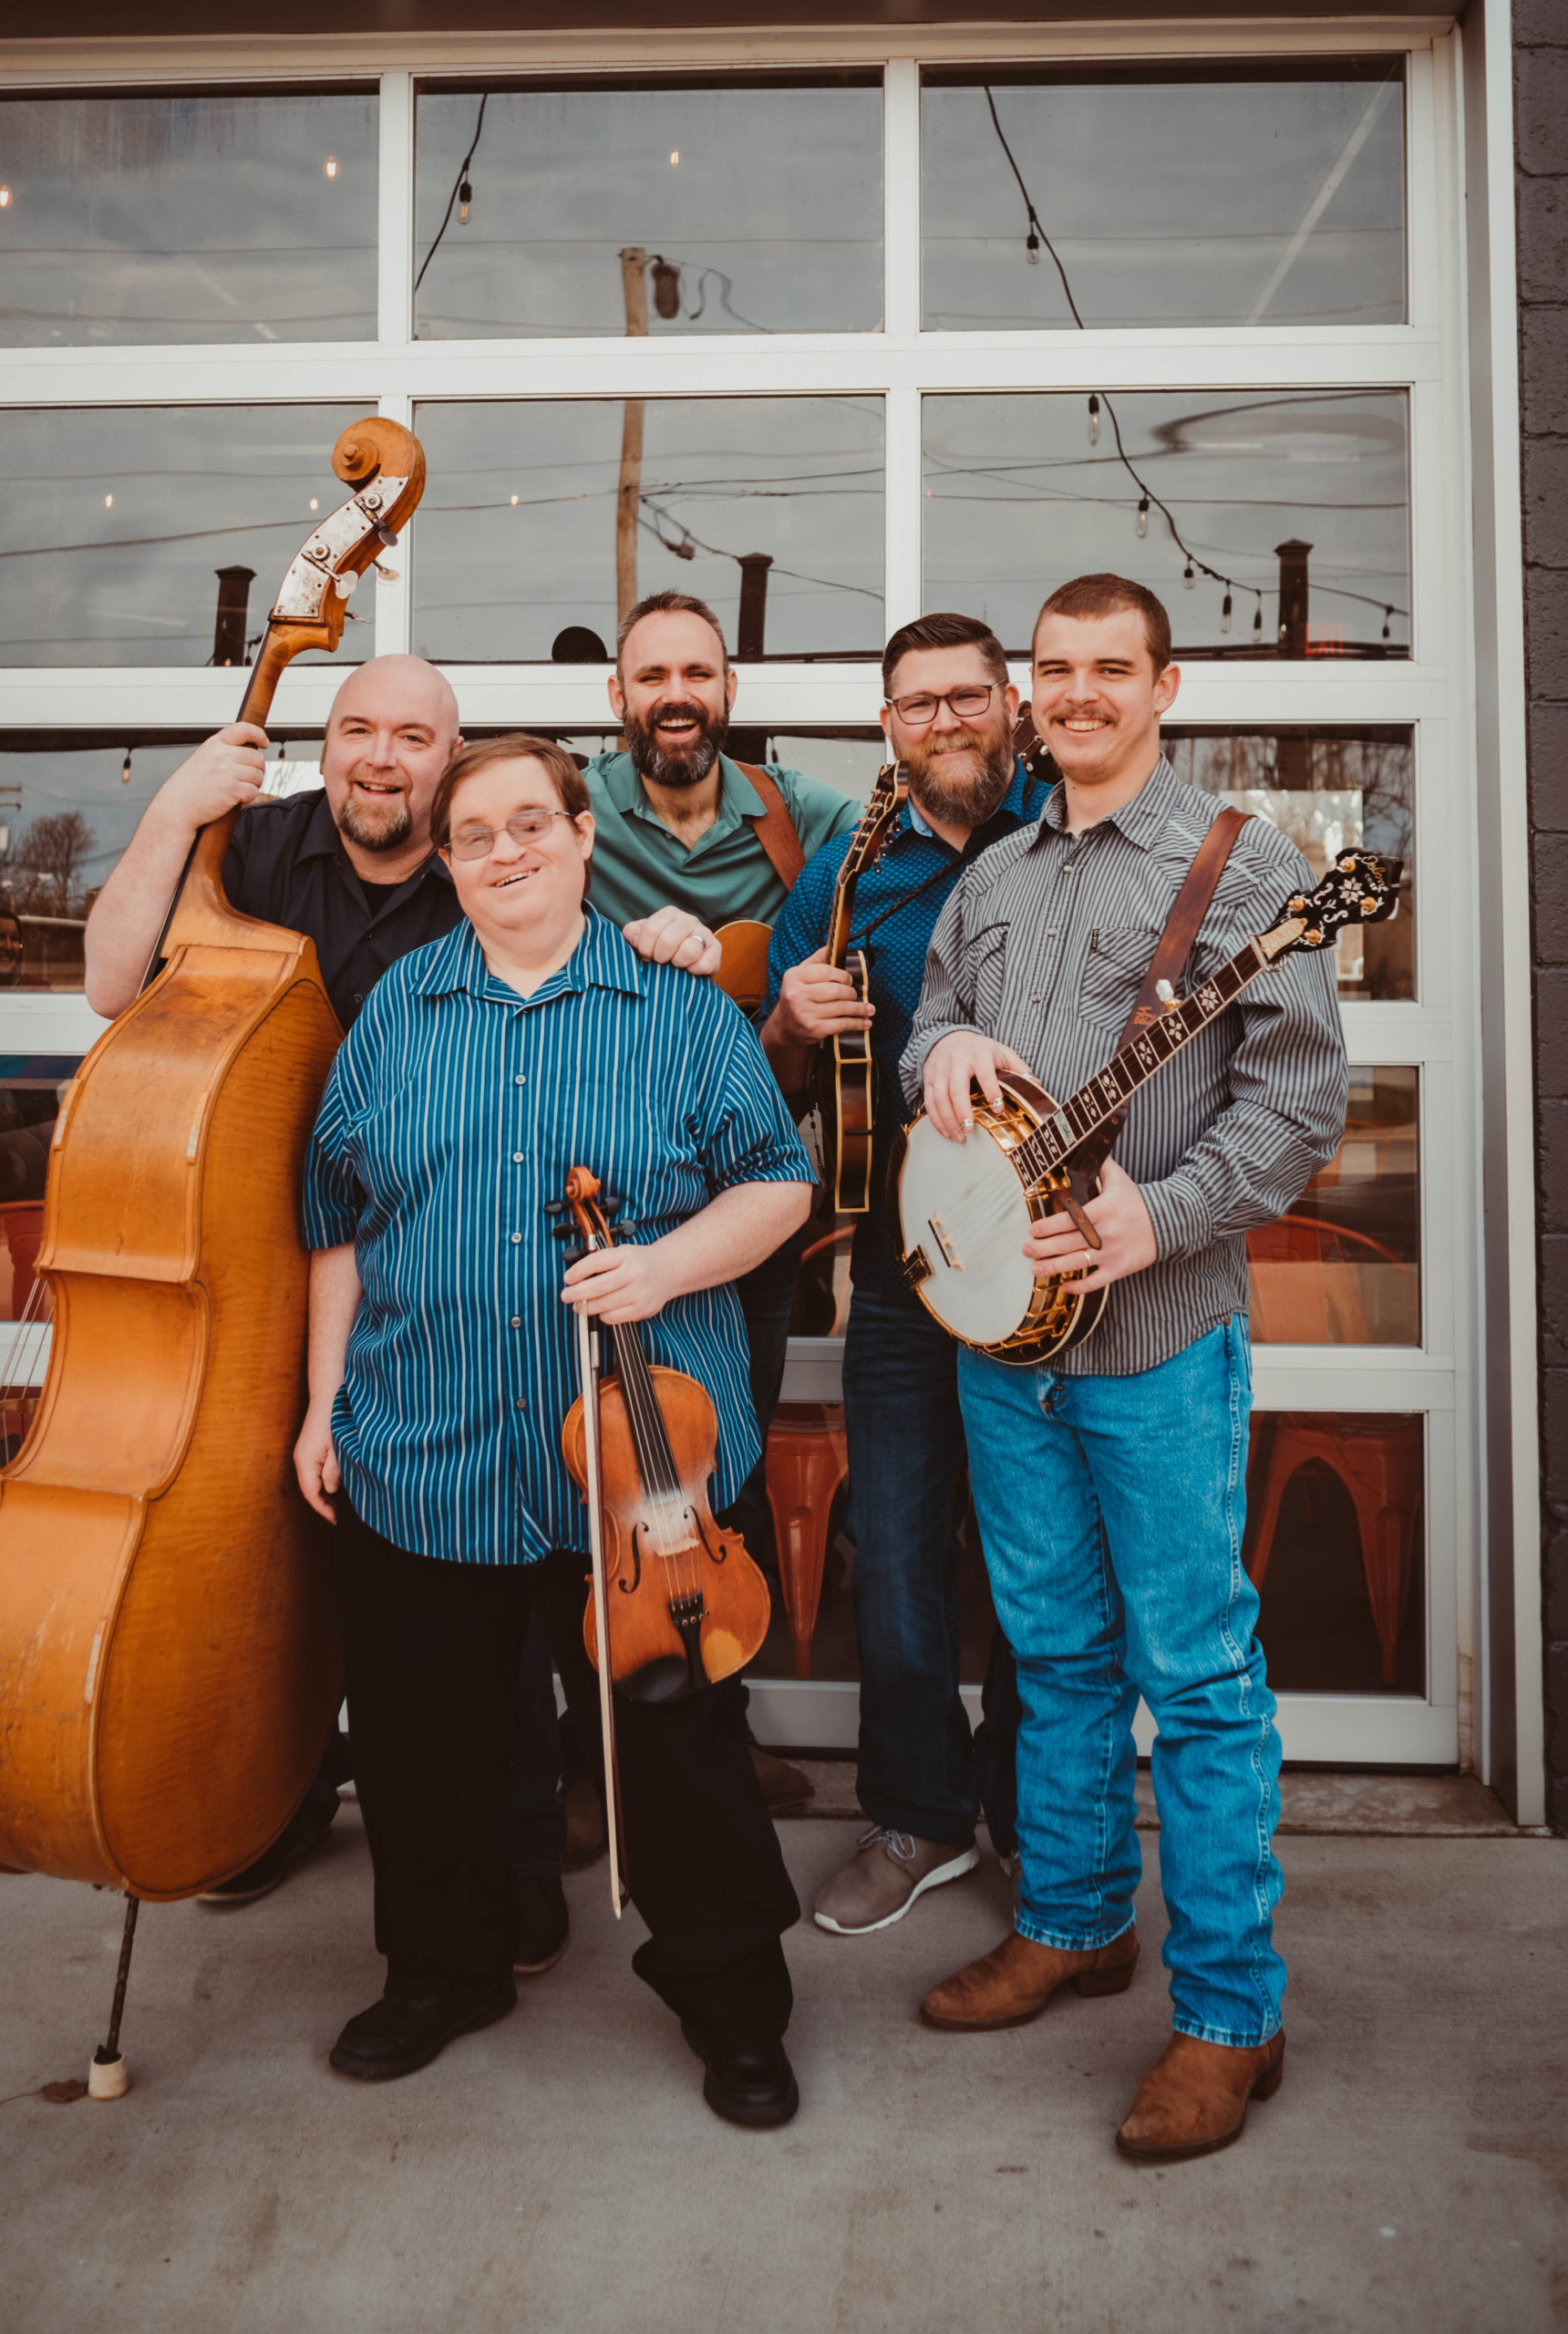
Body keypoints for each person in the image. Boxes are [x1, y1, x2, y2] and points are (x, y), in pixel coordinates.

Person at [81, 656, 717, 1947]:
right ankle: (278, 1791)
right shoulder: (255, 847)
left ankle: (518, 1875)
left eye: (414, 737)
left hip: (423, 1279)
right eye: (356, 729)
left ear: (449, 762)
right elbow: (109, 984)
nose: (382, 757)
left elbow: (603, 952)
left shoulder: (484, 865)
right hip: (257, 1267)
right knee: (299, 1570)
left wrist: (674, 935)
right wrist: (174, 809)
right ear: (325, 747)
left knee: (475, 1597)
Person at [294, 731, 816, 2126]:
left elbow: (779, 1183)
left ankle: (733, 2004)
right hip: (426, 1442)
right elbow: (336, 1219)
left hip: (645, 1470)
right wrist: (321, 1403)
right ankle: (443, 1970)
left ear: (585, 839)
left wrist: (665, 1267)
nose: (505, 852)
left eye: (532, 823)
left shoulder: (678, 1007)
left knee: (682, 1751)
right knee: (427, 1744)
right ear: (447, 863)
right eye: (474, 835)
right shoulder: (396, 1011)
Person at [899, 574, 1348, 2163]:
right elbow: (929, 1028)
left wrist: (1158, 1215)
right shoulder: (994, 872)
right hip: (1001, 1346)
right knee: (1053, 1652)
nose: (1079, 692)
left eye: (1112, 667)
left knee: (1198, 1678)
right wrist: (942, 1053)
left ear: (1165, 686)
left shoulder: (1244, 867)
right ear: (1030, 690)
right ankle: (1079, 1923)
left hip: (1156, 1342)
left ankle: (1231, 2013)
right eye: (1056, 668)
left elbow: (1297, 1100)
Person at [757, 614, 1050, 1937]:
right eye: (918, 704)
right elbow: (763, 1099)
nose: (946, 721)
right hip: (902, 1270)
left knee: (1046, 1555)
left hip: (1055, 1261)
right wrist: (788, 1024)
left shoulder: (1072, 836)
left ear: (1012, 706)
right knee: (895, 1549)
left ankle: (1038, 1815)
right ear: (887, 728)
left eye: (968, 697)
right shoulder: (843, 883)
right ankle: (920, 1813)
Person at [559, 589, 861, 1844]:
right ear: (617, 697)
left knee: (712, 1472)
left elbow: (898, 911)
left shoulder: (811, 818)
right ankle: (590, 1755)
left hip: (745, 1201)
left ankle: (703, 1738)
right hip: (589, 1207)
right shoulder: (570, 806)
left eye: (698, 672)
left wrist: (800, 1006)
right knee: (576, 1473)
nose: (675, 694)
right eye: (652, 675)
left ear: (729, 689)